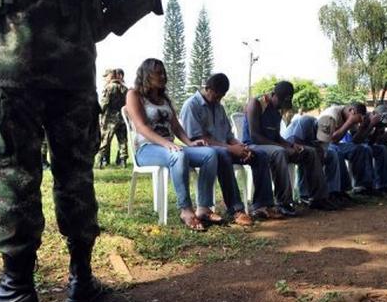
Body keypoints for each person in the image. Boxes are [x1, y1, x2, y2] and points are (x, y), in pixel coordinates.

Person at [0, 0, 163, 302]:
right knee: (76, 174)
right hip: (74, 70)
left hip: (11, 64)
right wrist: (97, 26)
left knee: (14, 174)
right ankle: (83, 280)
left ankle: (16, 288)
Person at [126, 59, 220, 231]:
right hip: (146, 148)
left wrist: (190, 143)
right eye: (158, 73)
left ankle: (204, 208)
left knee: (210, 154)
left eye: (163, 72)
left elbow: (176, 127)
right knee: (178, 155)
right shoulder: (134, 95)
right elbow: (141, 126)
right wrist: (167, 144)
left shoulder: (164, 99)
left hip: (168, 148)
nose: (163, 76)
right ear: (146, 74)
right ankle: (185, 210)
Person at [180, 73, 280, 225]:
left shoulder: (219, 108)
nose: (219, 99)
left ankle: (262, 205)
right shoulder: (191, 106)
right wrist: (230, 148)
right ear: (207, 88)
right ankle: (236, 209)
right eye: (216, 95)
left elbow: (228, 135)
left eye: (222, 96)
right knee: (223, 154)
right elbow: (197, 140)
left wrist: (242, 147)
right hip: (203, 151)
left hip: (224, 147)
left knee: (259, 154)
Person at [243, 81, 335, 214]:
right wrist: (284, 147)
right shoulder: (256, 104)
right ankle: (283, 202)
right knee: (280, 152)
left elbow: (277, 137)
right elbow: (255, 136)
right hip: (254, 146)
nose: (281, 107)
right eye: (280, 103)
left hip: (273, 146)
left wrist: (291, 145)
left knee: (310, 152)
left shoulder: (278, 109)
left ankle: (318, 198)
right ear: (273, 95)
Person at [283, 112, 347, 206]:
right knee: (309, 154)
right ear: (317, 125)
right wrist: (317, 154)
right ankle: (305, 195)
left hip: (310, 147)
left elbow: (323, 149)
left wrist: (321, 155)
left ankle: (332, 192)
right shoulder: (306, 122)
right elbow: (296, 142)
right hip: (290, 144)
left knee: (332, 154)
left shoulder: (329, 128)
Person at [317, 102, 375, 195]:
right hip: (321, 144)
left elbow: (356, 141)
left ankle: (362, 187)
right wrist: (349, 122)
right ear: (352, 111)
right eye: (360, 118)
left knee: (362, 149)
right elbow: (330, 139)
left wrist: (365, 126)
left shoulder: (352, 116)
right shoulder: (331, 114)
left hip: (335, 143)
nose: (360, 121)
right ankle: (339, 191)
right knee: (336, 151)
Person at [98, 68, 129, 168]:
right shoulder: (125, 89)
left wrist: (98, 113)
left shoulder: (109, 88)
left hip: (110, 119)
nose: (104, 79)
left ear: (110, 76)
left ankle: (100, 161)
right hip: (123, 118)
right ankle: (123, 161)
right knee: (123, 140)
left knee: (105, 140)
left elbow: (104, 104)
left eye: (105, 77)